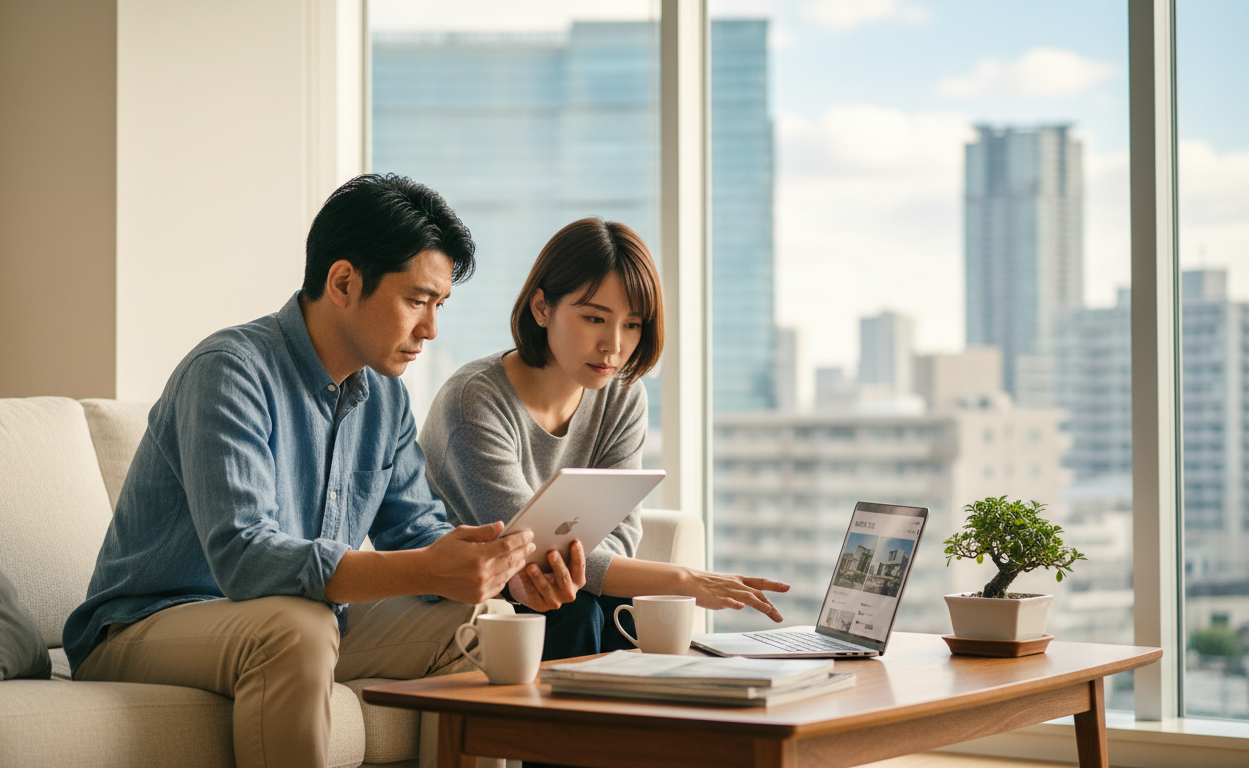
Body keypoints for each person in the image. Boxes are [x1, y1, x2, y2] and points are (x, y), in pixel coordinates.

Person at [62, 174, 537, 768]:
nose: (430, 329)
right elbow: (245, 557)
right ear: (343, 282)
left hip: (296, 618)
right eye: (417, 301)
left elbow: (417, 534)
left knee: (484, 622)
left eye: (439, 305)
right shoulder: (229, 371)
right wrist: (425, 567)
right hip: (145, 623)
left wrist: (501, 571)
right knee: (297, 626)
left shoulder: (385, 398)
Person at [420, 218, 789, 664]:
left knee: (619, 605)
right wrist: (685, 579)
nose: (613, 345)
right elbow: (530, 550)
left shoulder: (623, 396)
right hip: (471, 593)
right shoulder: (474, 401)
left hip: (559, 593)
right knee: (576, 612)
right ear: (542, 308)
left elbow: (620, 533)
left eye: (632, 324)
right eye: (594, 318)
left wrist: (610, 577)